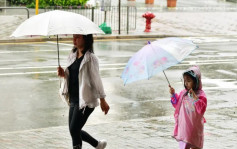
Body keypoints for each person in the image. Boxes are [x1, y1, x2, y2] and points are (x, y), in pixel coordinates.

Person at [58, 34, 110, 149]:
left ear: (85, 39)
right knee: (74, 130)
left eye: (77, 37)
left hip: (86, 100)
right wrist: (64, 74)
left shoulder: (91, 58)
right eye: (73, 36)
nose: (74, 39)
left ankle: (97, 145)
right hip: (73, 99)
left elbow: (96, 79)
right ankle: (98, 144)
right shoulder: (72, 54)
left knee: (74, 129)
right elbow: (74, 76)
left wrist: (102, 99)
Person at [169, 66, 207, 149]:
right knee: (184, 145)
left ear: (196, 82)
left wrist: (194, 97)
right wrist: (173, 94)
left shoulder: (201, 95)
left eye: (189, 81)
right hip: (184, 127)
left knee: (195, 144)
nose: (186, 83)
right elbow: (176, 104)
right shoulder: (183, 93)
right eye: (185, 80)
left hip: (195, 127)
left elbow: (202, 109)